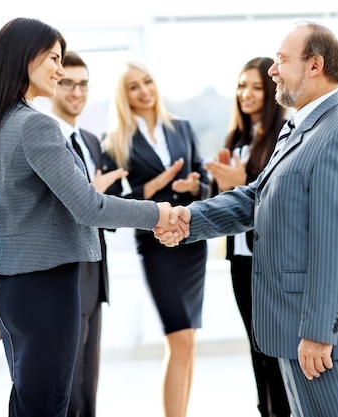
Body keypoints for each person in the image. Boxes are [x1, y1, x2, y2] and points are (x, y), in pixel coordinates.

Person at [0, 18, 184, 417]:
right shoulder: (37, 127)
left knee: (28, 402)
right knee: (48, 407)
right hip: (48, 288)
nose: (60, 71)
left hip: (8, 291)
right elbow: (90, 207)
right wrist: (158, 212)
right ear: (25, 58)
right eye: (53, 59)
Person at [155, 22, 338, 417]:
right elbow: (256, 197)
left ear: (314, 65)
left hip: (321, 339)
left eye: (280, 60)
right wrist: (189, 218)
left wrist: (317, 334)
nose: (272, 70)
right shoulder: (301, 129)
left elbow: (337, 247)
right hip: (295, 330)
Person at [101, 60, 210, 417]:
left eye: (147, 81)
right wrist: (157, 186)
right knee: (178, 338)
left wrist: (194, 184)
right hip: (156, 244)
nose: (144, 90)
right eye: (133, 86)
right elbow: (109, 205)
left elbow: (205, 180)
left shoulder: (181, 127)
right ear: (124, 95)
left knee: (188, 341)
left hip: (192, 241)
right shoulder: (115, 142)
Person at [205, 57, 290, 417]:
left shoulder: (284, 137)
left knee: (274, 350)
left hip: (270, 261)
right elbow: (225, 202)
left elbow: (280, 203)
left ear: (272, 91)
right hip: (240, 259)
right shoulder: (236, 139)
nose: (247, 94)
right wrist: (207, 185)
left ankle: (281, 411)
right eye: (242, 86)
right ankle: (265, 410)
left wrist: (240, 183)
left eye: (256, 86)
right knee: (256, 348)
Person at [48, 51, 127, 417]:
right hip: (62, 272)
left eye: (83, 84)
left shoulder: (93, 141)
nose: (77, 92)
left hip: (94, 272)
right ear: (53, 84)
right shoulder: (47, 141)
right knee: (63, 375)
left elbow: (101, 210)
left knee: (87, 375)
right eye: (68, 83)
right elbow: (53, 211)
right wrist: (90, 195)